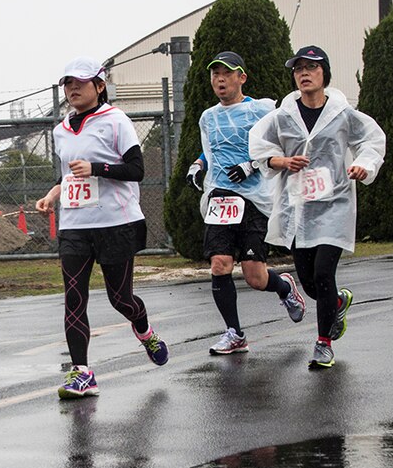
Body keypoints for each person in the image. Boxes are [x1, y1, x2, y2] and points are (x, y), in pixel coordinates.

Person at [35, 57, 169, 398]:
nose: (73, 89)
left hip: (116, 222)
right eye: (68, 83)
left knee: (120, 299)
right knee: (74, 298)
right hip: (76, 225)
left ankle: (145, 331)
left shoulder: (115, 120)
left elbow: (136, 169)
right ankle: (81, 372)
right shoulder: (60, 129)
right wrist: (53, 194)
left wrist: (97, 168)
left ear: (99, 85)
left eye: (81, 82)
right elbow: (68, 173)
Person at [249, 46, 386, 369]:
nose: (304, 73)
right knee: (310, 282)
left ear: (324, 73)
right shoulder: (282, 116)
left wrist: (363, 165)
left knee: (324, 273)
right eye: (298, 69)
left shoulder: (342, 113)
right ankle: (337, 302)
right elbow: (257, 145)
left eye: (311, 67)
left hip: (335, 203)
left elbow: (372, 139)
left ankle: (323, 343)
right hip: (297, 206)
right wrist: (280, 160)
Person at [186, 51, 306, 355]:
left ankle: (284, 288)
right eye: (215, 74)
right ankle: (235, 333)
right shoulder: (208, 117)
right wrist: (197, 166)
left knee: (254, 276)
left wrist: (251, 165)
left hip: (254, 198)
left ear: (242, 77)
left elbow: (276, 147)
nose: (220, 79)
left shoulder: (262, 110)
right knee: (219, 265)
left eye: (226, 73)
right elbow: (210, 151)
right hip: (220, 197)